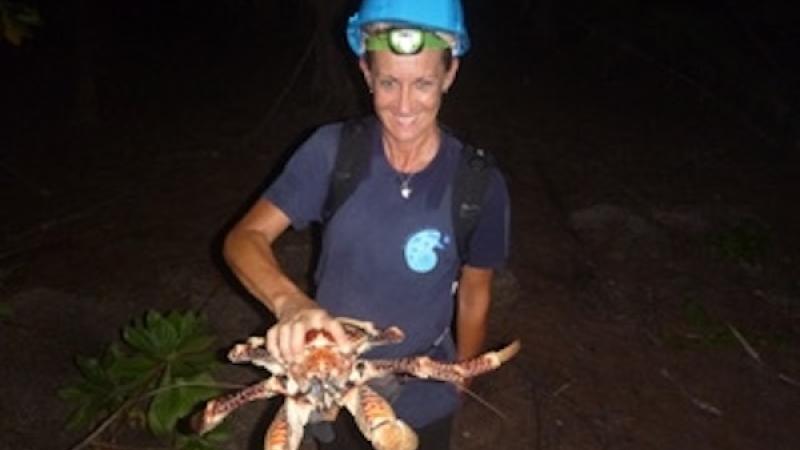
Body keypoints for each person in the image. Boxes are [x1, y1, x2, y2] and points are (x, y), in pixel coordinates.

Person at [222, 0, 509, 448]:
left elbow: (475, 292)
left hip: (421, 391)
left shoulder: (479, 184)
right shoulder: (333, 153)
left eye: (424, 83)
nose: (404, 104)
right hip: (321, 386)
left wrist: (461, 377)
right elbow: (244, 238)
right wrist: (290, 304)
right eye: (389, 82)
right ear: (366, 72)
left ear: (450, 76)